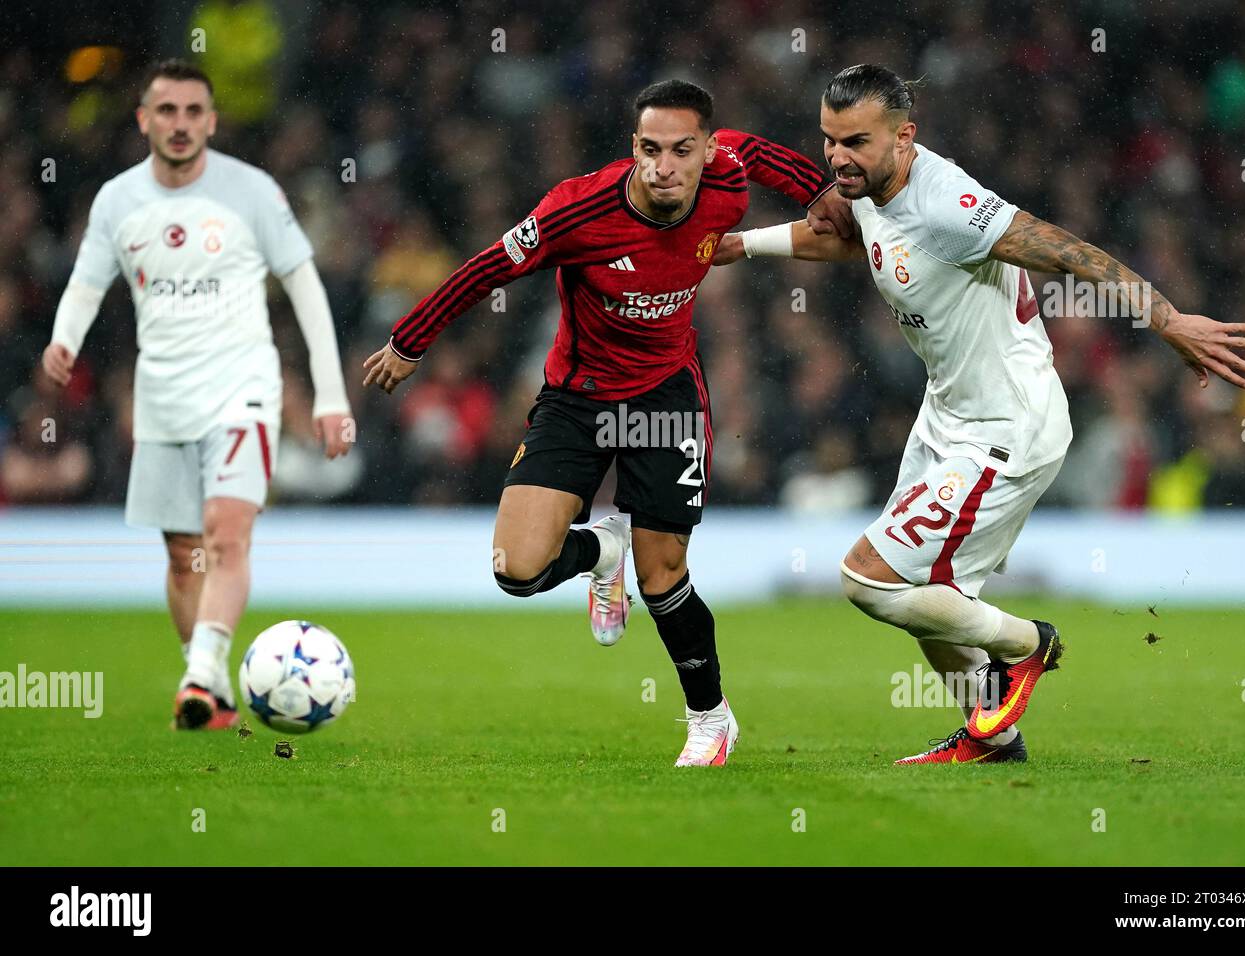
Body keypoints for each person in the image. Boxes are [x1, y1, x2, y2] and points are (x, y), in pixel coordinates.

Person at [716, 64, 1245, 764]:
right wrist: (747, 244)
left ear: (904, 137)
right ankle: (993, 737)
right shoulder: (869, 188)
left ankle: (1025, 643)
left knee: (869, 581)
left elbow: (1069, 252)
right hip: (947, 413)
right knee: (930, 603)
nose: (836, 157)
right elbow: (855, 237)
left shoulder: (949, 203)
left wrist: (1169, 320)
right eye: (828, 141)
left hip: (1008, 427)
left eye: (854, 141)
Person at [362, 79, 852, 766]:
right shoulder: (577, 210)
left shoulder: (727, 181)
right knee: (516, 571)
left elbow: (757, 149)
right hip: (577, 399)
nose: (665, 166)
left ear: (707, 151)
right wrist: (410, 340)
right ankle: (599, 551)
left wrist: (817, 190)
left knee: (665, 575)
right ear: (633, 148)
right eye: (650, 149)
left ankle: (710, 719)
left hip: (665, 395)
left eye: (683, 150)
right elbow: (487, 268)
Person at [41, 59, 353, 730]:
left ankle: (201, 671)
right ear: (144, 120)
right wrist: (64, 338)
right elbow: (89, 283)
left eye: (192, 112)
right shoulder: (118, 201)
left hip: (242, 387)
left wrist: (329, 397)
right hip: (163, 397)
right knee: (185, 557)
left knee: (227, 534)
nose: (180, 124)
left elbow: (305, 286)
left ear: (211, 121)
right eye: (167, 111)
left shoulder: (253, 192)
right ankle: (208, 693)